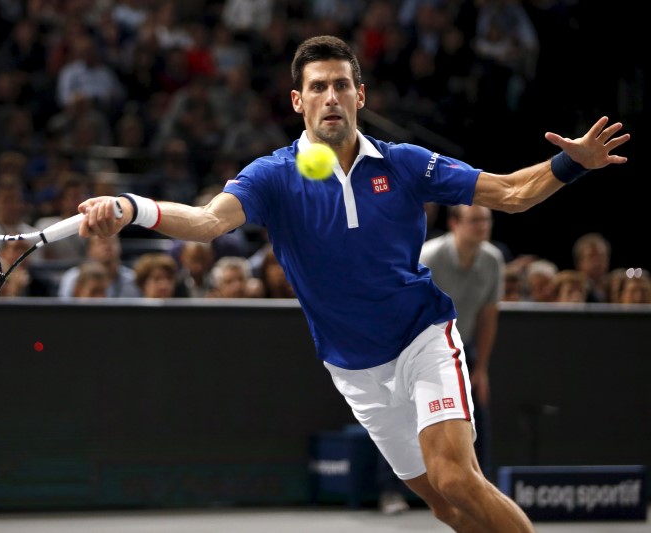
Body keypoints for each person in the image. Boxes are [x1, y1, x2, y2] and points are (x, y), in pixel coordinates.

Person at [76, 35, 629, 532]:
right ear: (299, 101)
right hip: (354, 369)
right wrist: (132, 206)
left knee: (457, 478)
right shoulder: (272, 175)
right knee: (440, 502)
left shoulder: (407, 163)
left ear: (360, 95)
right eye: (318, 87)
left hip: (423, 338)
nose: (331, 96)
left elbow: (510, 192)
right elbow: (205, 223)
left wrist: (570, 164)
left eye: (342, 84)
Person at [419, 204, 505, 482]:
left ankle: (482, 485)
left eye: (486, 220)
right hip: (417, 346)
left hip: (462, 347)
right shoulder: (429, 257)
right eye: (475, 220)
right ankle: (390, 490)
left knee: (475, 412)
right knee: (412, 417)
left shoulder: (493, 260)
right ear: (455, 224)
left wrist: (481, 368)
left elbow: (488, 315)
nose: (482, 226)